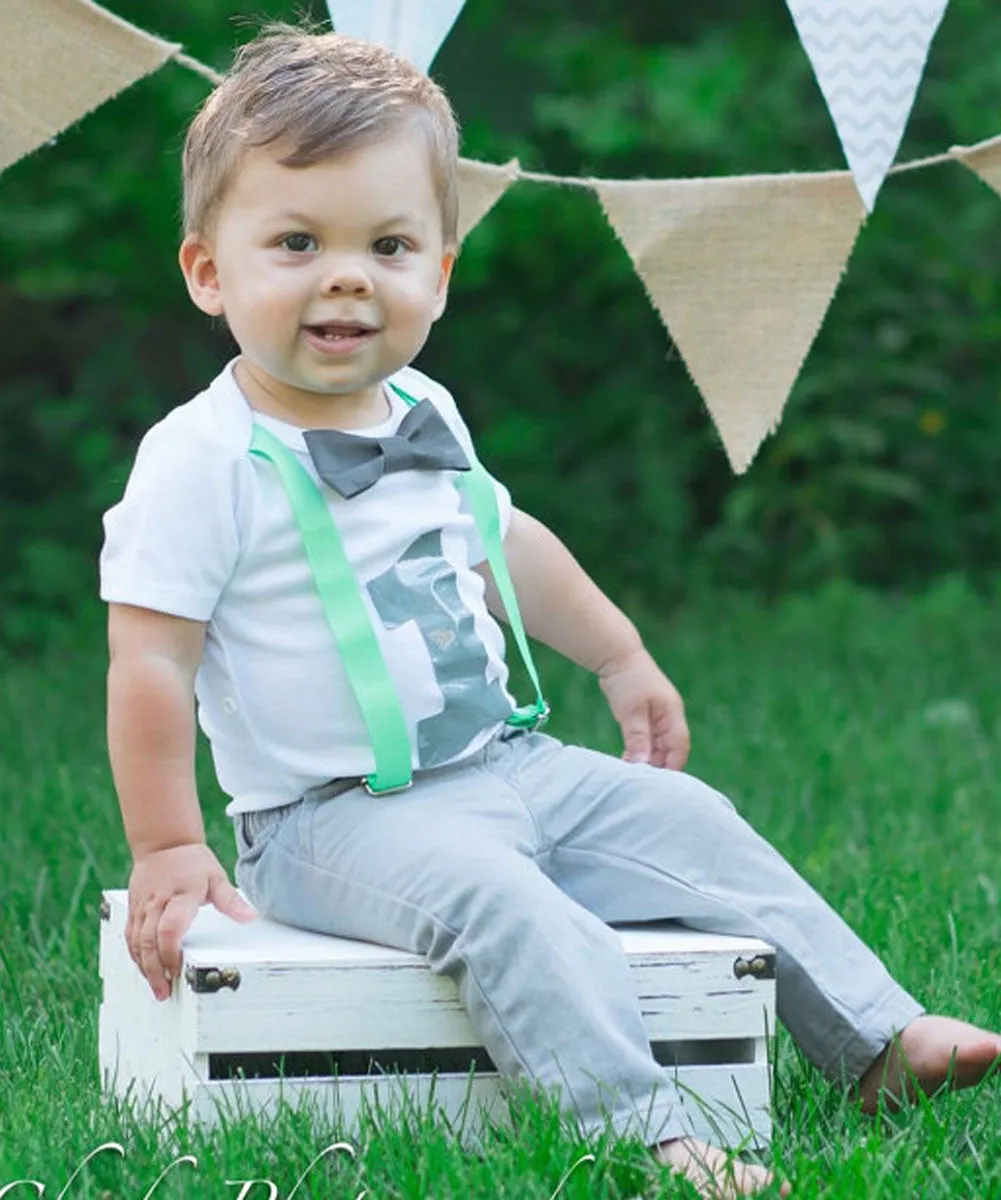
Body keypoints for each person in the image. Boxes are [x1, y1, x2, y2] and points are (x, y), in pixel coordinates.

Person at [100, 24, 1000, 1198]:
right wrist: (169, 844)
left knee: (692, 823)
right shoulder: (199, 460)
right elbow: (150, 662)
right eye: (295, 243)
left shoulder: (422, 409)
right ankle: (643, 1131)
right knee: (508, 906)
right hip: (332, 821)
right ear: (209, 271)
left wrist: (618, 658)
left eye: (387, 244)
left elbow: (502, 546)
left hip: (506, 763)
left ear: (440, 271)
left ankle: (873, 1040)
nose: (346, 275)